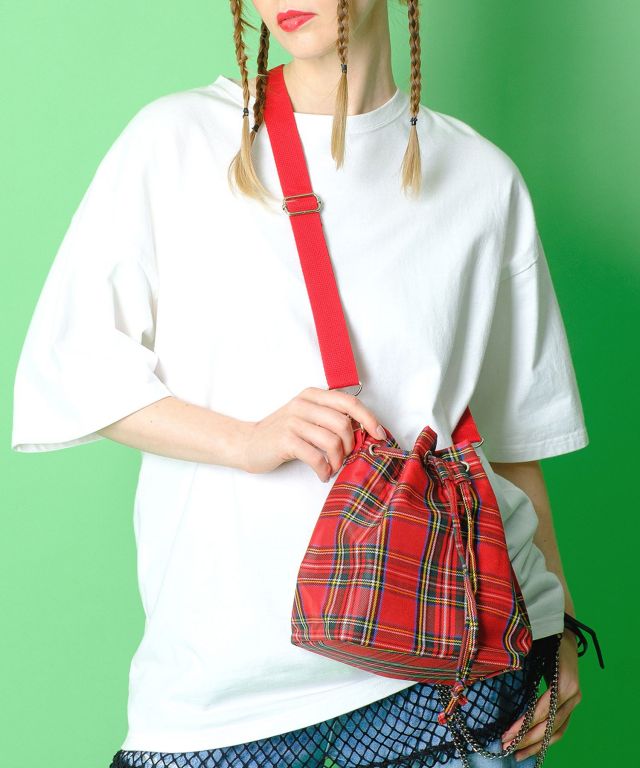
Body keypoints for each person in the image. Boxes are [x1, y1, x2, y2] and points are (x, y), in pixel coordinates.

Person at [11, 1, 590, 766]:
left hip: (446, 663)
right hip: (224, 681)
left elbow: (513, 443)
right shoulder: (179, 141)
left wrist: (556, 629)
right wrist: (247, 439)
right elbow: (73, 363)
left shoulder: (482, 179)